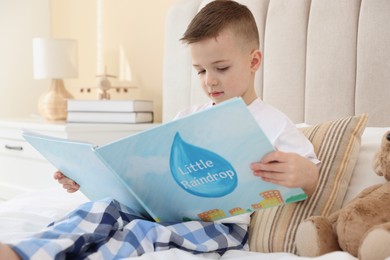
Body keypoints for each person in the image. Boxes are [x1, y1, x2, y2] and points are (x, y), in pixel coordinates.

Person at [0, 0, 319, 259]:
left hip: (220, 228)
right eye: (200, 71)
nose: (209, 80)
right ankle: (23, 252)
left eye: (221, 68)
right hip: (164, 212)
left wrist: (302, 173)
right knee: (101, 208)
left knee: (142, 234)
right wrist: (85, 177)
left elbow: (312, 174)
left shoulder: (274, 122)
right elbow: (152, 170)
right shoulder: (187, 116)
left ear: (254, 61)